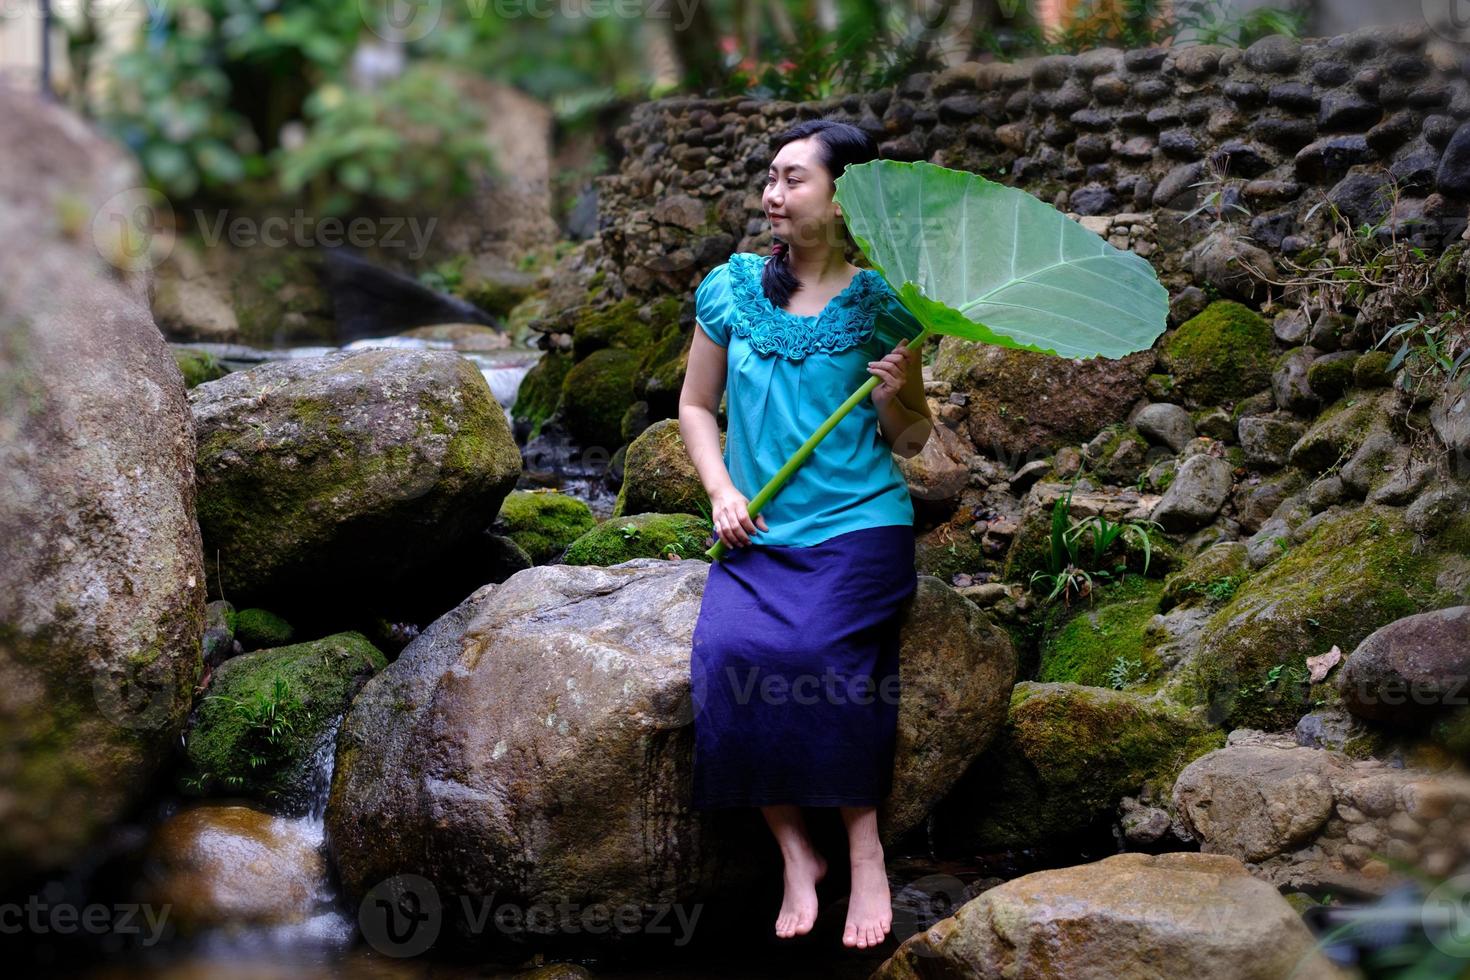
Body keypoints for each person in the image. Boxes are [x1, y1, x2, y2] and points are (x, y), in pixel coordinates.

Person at [676, 118, 934, 951]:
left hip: (860, 526)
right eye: (771, 178)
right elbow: (692, 407)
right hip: (760, 532)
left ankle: (864, 851)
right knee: (724, 656)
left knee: (823, 659)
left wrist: (899, 391)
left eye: (792, 179)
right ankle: (795, 849)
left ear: (839, 195)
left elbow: (912, 441)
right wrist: (721, 491)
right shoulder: (732, 288)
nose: (771, 194)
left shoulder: (884, 304)